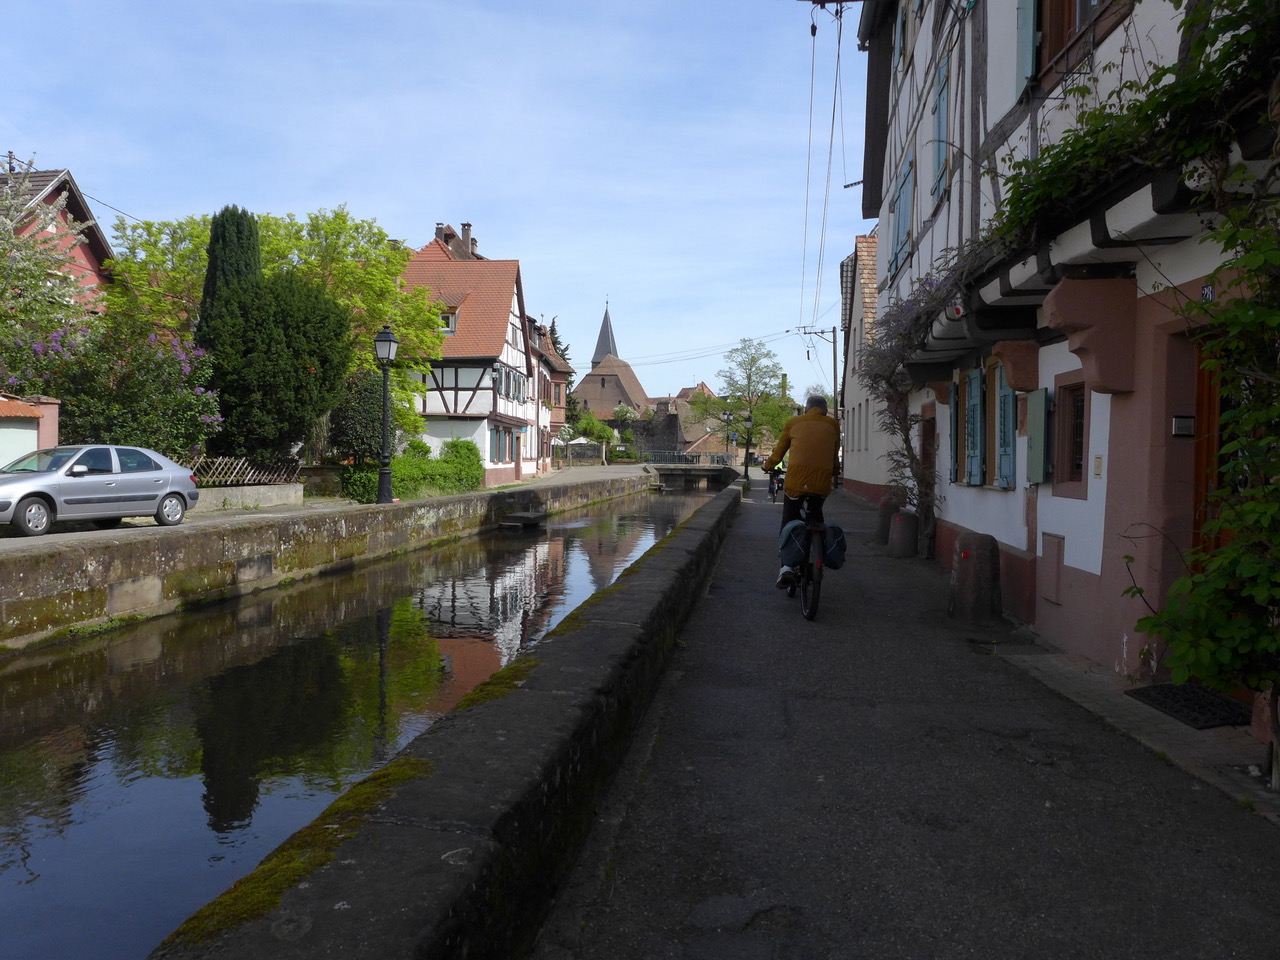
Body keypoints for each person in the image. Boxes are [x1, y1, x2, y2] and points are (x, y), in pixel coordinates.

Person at [761, 395, 841, 589]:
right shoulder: (833, 425)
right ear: (824, 410)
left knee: (788, 519)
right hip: (821, 484)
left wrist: (768, 466)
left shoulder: (794, 423)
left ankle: (787, 567)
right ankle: (819, 555)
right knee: (816, 514)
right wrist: (835, 472)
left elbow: (779, 452)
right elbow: (834, 455)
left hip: (796, 482)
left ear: (807, 409)